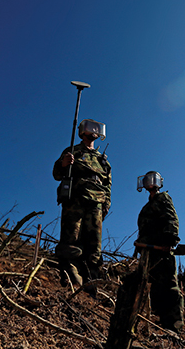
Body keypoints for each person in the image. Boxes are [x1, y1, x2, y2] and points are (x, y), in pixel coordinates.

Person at [52, 118, 111, 288]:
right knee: (71, 240)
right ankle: (71, 280)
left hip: (96, 203)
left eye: (96, 128)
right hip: (75, 200)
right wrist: (63, 164)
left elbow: (107, 184)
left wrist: (106, 203)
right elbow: (57, 174)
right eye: (90, 127)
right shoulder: (72, 151)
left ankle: (91, 283)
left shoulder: (102, 159)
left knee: (94, 246)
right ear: (82, 131)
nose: (94, 131)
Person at [135, 171, 185, 332]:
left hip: (162, 250)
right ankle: (163, 324)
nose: (150, 183)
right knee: (155, 288)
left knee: (169, 287)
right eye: (147, 180)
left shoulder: (163, 198)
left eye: (153, 180)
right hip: (148, 253)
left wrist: (170, 240)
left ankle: (175, 327)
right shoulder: (146, 208)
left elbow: (171, 219)